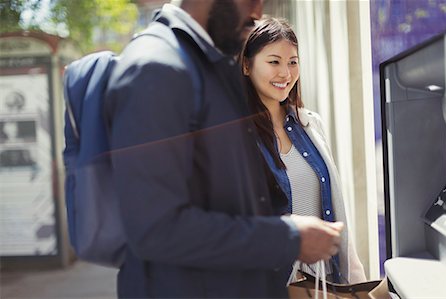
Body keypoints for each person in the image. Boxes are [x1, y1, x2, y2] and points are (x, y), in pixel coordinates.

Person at [105, 1, 344, 298]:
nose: (258, 10)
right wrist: (288, 238)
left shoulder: (207, 67)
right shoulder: (156, 68)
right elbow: (155, 229)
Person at [239, 17, 367, 284]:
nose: (285, 73)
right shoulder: (236, 138)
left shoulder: (310, 124)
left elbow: (337, 213)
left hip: (327, 282)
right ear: (247, 65)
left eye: (293, 62)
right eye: (274, 62)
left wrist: (356, 281)